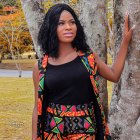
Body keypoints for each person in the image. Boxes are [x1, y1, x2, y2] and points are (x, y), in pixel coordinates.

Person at [32, 3, 135, 140]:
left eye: (72, 22)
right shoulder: (40, 67)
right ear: (51, 28)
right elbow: (37, 107)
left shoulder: (88, 58)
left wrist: (125, 42)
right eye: (61, 23)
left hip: (85, 128)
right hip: (53, 131)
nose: (68, 27)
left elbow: (114, 74)